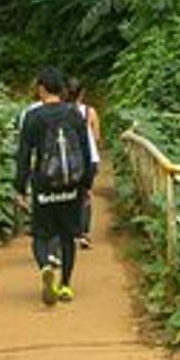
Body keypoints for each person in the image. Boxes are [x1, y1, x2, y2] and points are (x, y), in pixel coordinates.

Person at [14, 66, 95, 306]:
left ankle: (46, 267)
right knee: (68, 236)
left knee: (41, 235)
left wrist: (20, 187)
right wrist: (86, 184)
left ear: (41, 88)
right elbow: (86, 151)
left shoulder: (33, 117)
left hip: (45, 184)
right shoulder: (74, 114)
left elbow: (24, 155)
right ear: (61, 89)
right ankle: (66, 286)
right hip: (71, 185)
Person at [66, 77, 103, 249]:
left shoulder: (62, 112)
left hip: (68, 159)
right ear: (82, 93)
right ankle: (83, 233)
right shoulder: (90, 112)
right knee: (85, 194)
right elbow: (96, 138)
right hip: (89, 159)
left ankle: (68, 231)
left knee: (67, 194)